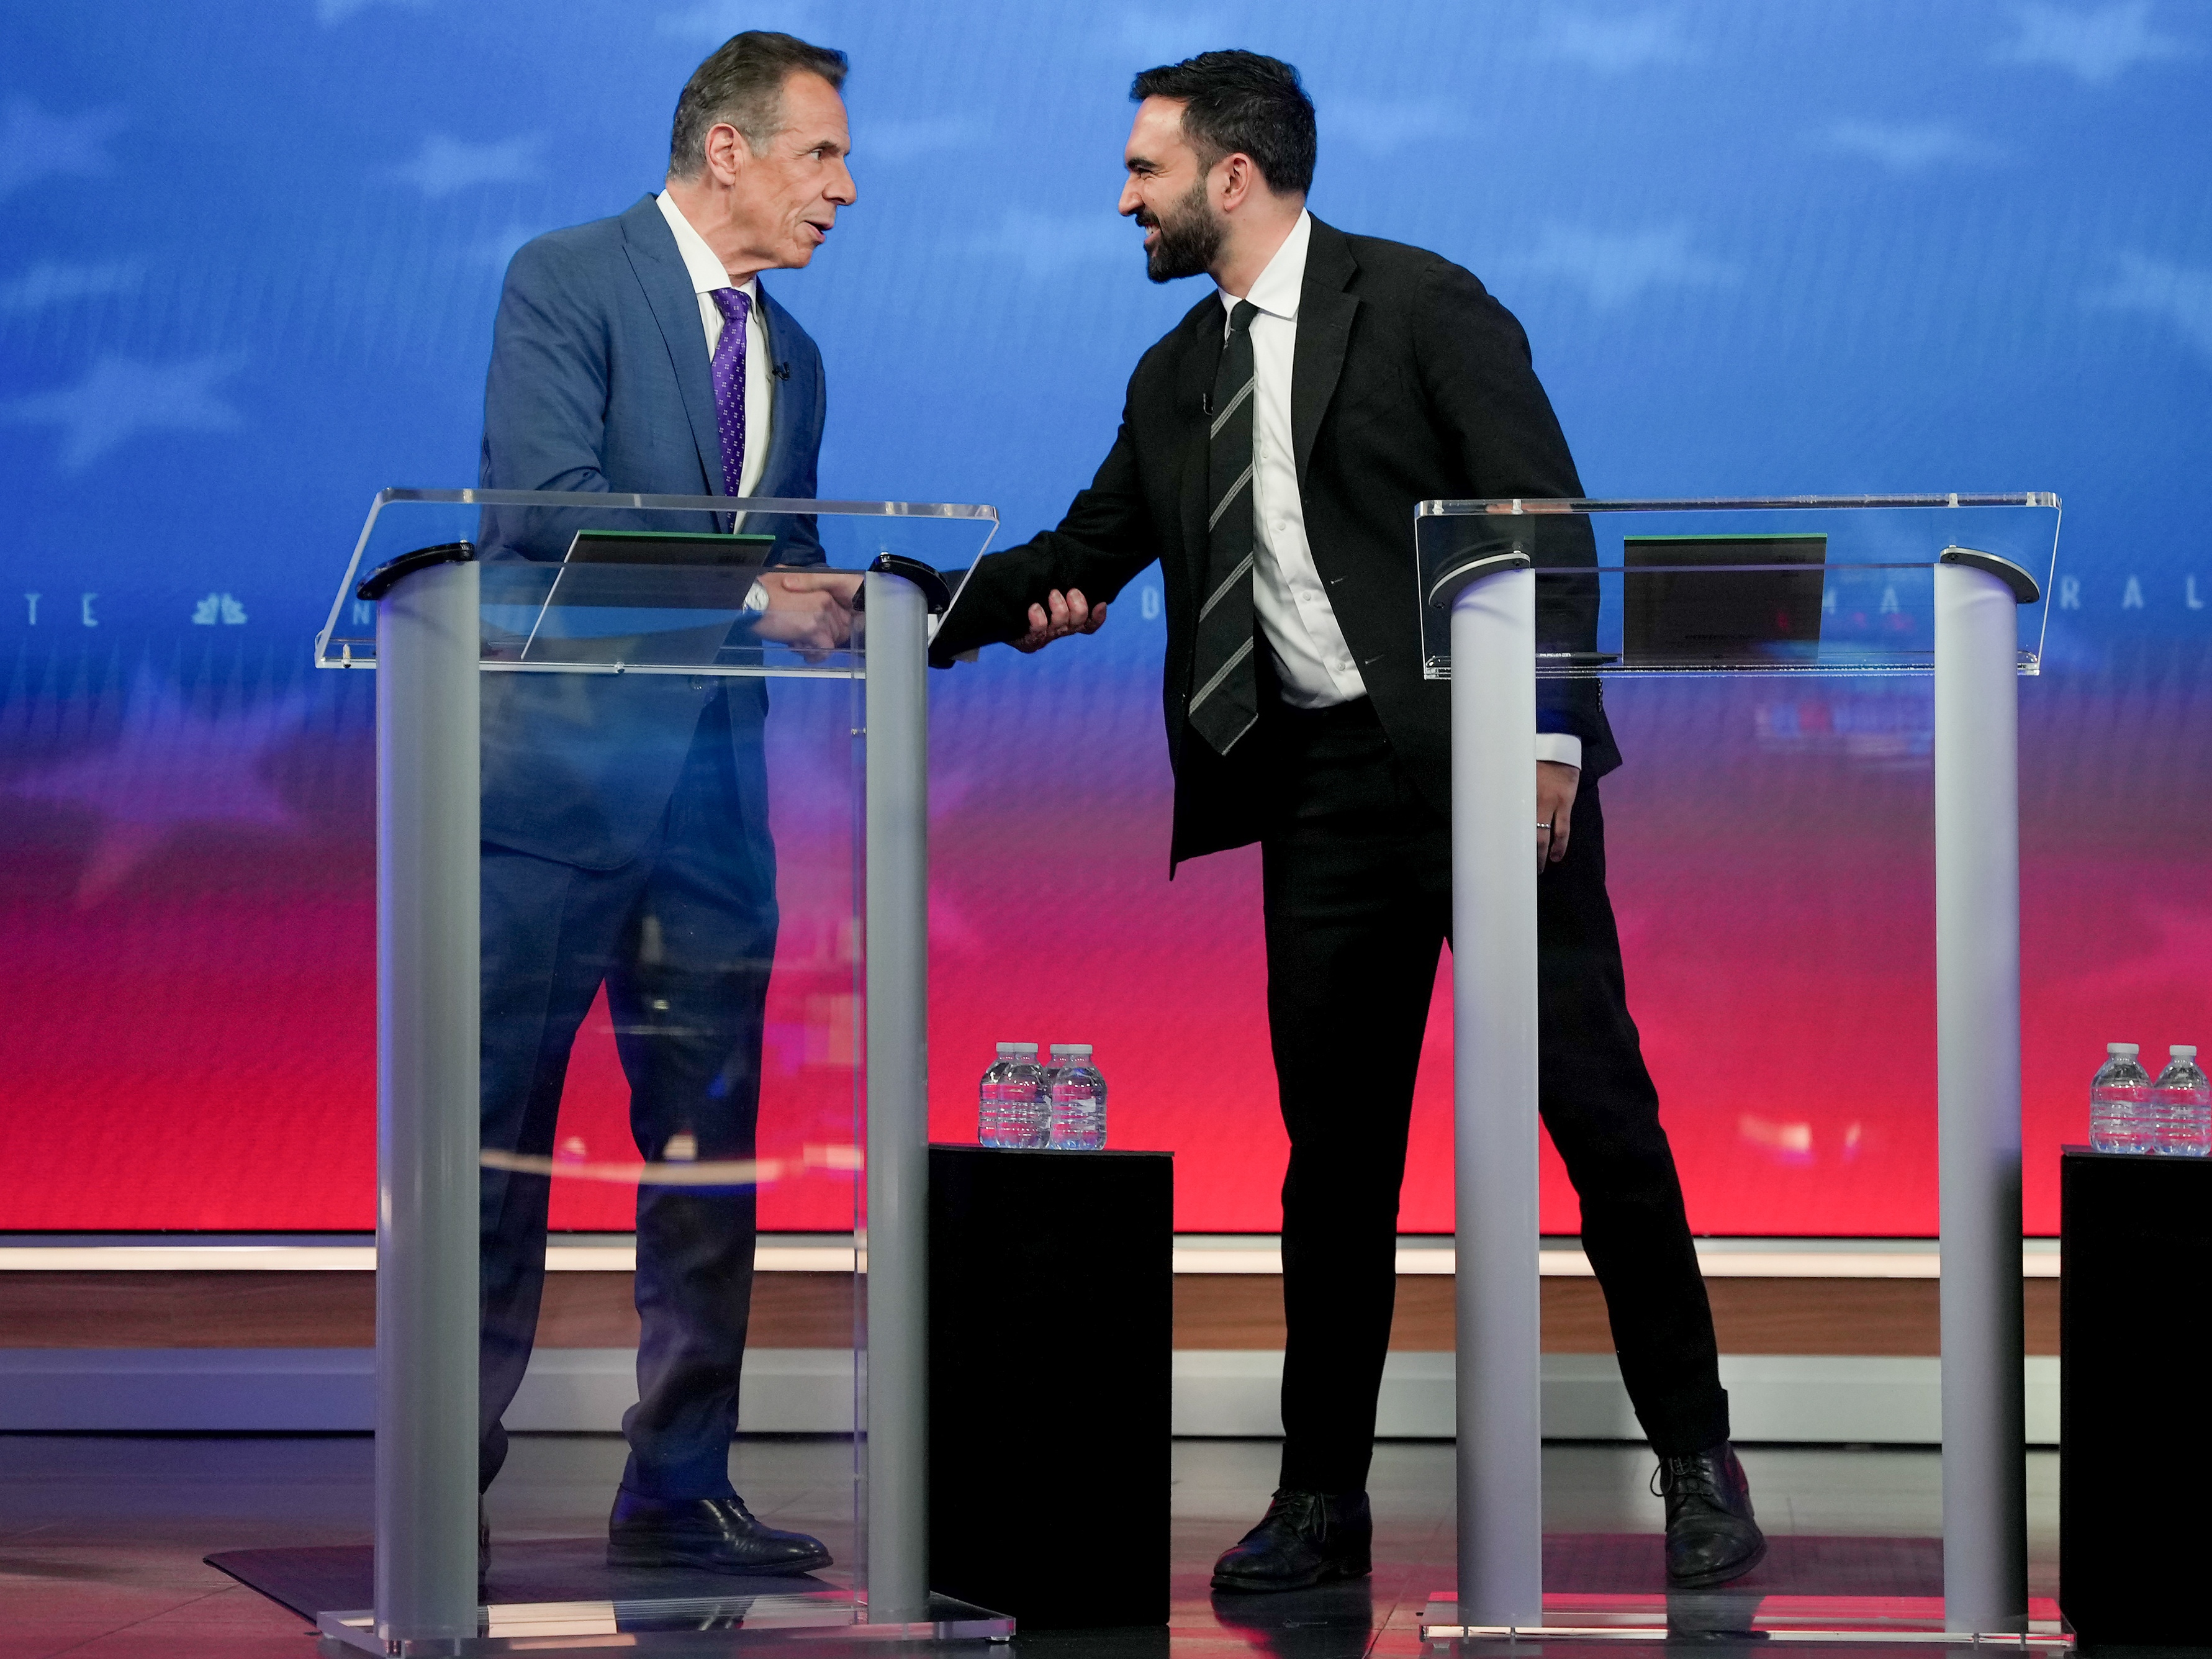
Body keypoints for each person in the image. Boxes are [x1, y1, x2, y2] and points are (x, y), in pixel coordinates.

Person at [930, 52, 1766, 1594]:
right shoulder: (1176, 374)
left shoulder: (1424, 304)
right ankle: (1323, 1499)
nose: (1125, 199)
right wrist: (904, 614)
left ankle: (1700, 1459)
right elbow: (1086, 551)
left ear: (1230, 178)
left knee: (1599, 1114)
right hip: (1316, 787)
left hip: (1492, 775)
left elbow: (1544, 521)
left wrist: (1552, 740)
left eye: (1145, 170)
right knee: (1336, 1160)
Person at [474, 29, 860, 1580]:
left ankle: (680, 1480)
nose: (845, 187)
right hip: (547, 796)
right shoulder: (565, 278)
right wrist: (764, 599)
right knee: (491, 1150)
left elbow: (797, 564)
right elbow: (543, 508)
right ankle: (448, 1472)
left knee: (708, 1159)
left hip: (714, 809)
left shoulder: (797, 356)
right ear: (729, 150)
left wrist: (899, 605)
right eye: (821, 155)